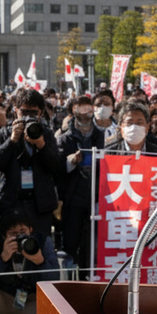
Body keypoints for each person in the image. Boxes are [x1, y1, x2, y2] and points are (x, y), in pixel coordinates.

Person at [0, 88, 65, 236]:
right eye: (24, 112)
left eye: (33, 113)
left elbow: (56, 167)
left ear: (40, 113)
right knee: (9, 244)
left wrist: (41, 145)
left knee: (39, 244)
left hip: (39, 204)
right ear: (16, 110)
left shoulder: (47, 134)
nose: (28, 117)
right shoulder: (2, 134)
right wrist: (11, 141)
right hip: (10, 202)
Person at [56, 95, 104, 272]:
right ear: (73, 111)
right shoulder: (64, 139)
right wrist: (71, 161)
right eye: (80, 109)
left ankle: (90, 274)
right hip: (73, 198)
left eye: (88, 109)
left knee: (93, 243)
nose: (84, 114)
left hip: (96, 197)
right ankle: (70, 277)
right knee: (71, 241)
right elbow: (57, 169)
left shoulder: (101, 136)